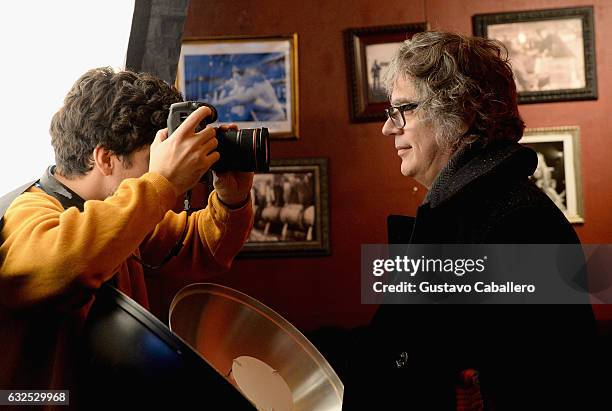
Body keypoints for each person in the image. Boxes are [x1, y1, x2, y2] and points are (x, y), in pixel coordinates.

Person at [339, 32, 600, 410]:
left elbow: (546, 384)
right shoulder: (472, 210)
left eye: (403, 110)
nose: (388, 128)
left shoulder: (518, 222)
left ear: (458, 112)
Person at [0, 68, 254, 405]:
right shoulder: (27, 213)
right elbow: (68, 263)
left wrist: (230, 198)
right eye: (154, 159)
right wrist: (164, 182)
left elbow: (200, 246)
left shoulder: (119, 211)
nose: (163, 170)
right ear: (106, 158)